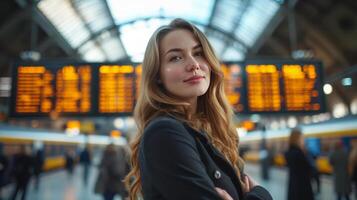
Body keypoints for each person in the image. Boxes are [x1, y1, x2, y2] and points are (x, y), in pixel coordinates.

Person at [124, 18, 273, 200]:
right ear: (157, 76)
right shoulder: (164, 132)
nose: (193, 64)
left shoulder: (210, 134)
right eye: (176, 57)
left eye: (199, 53)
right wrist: (261, 195)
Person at [284, 128, 314, 200]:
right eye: (302, 138)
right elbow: (311, 168)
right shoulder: (299, 154)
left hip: (293, 187)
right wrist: (306, 153)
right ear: (297, 140)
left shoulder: (288, 153)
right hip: (303, 188)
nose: (303, 140)